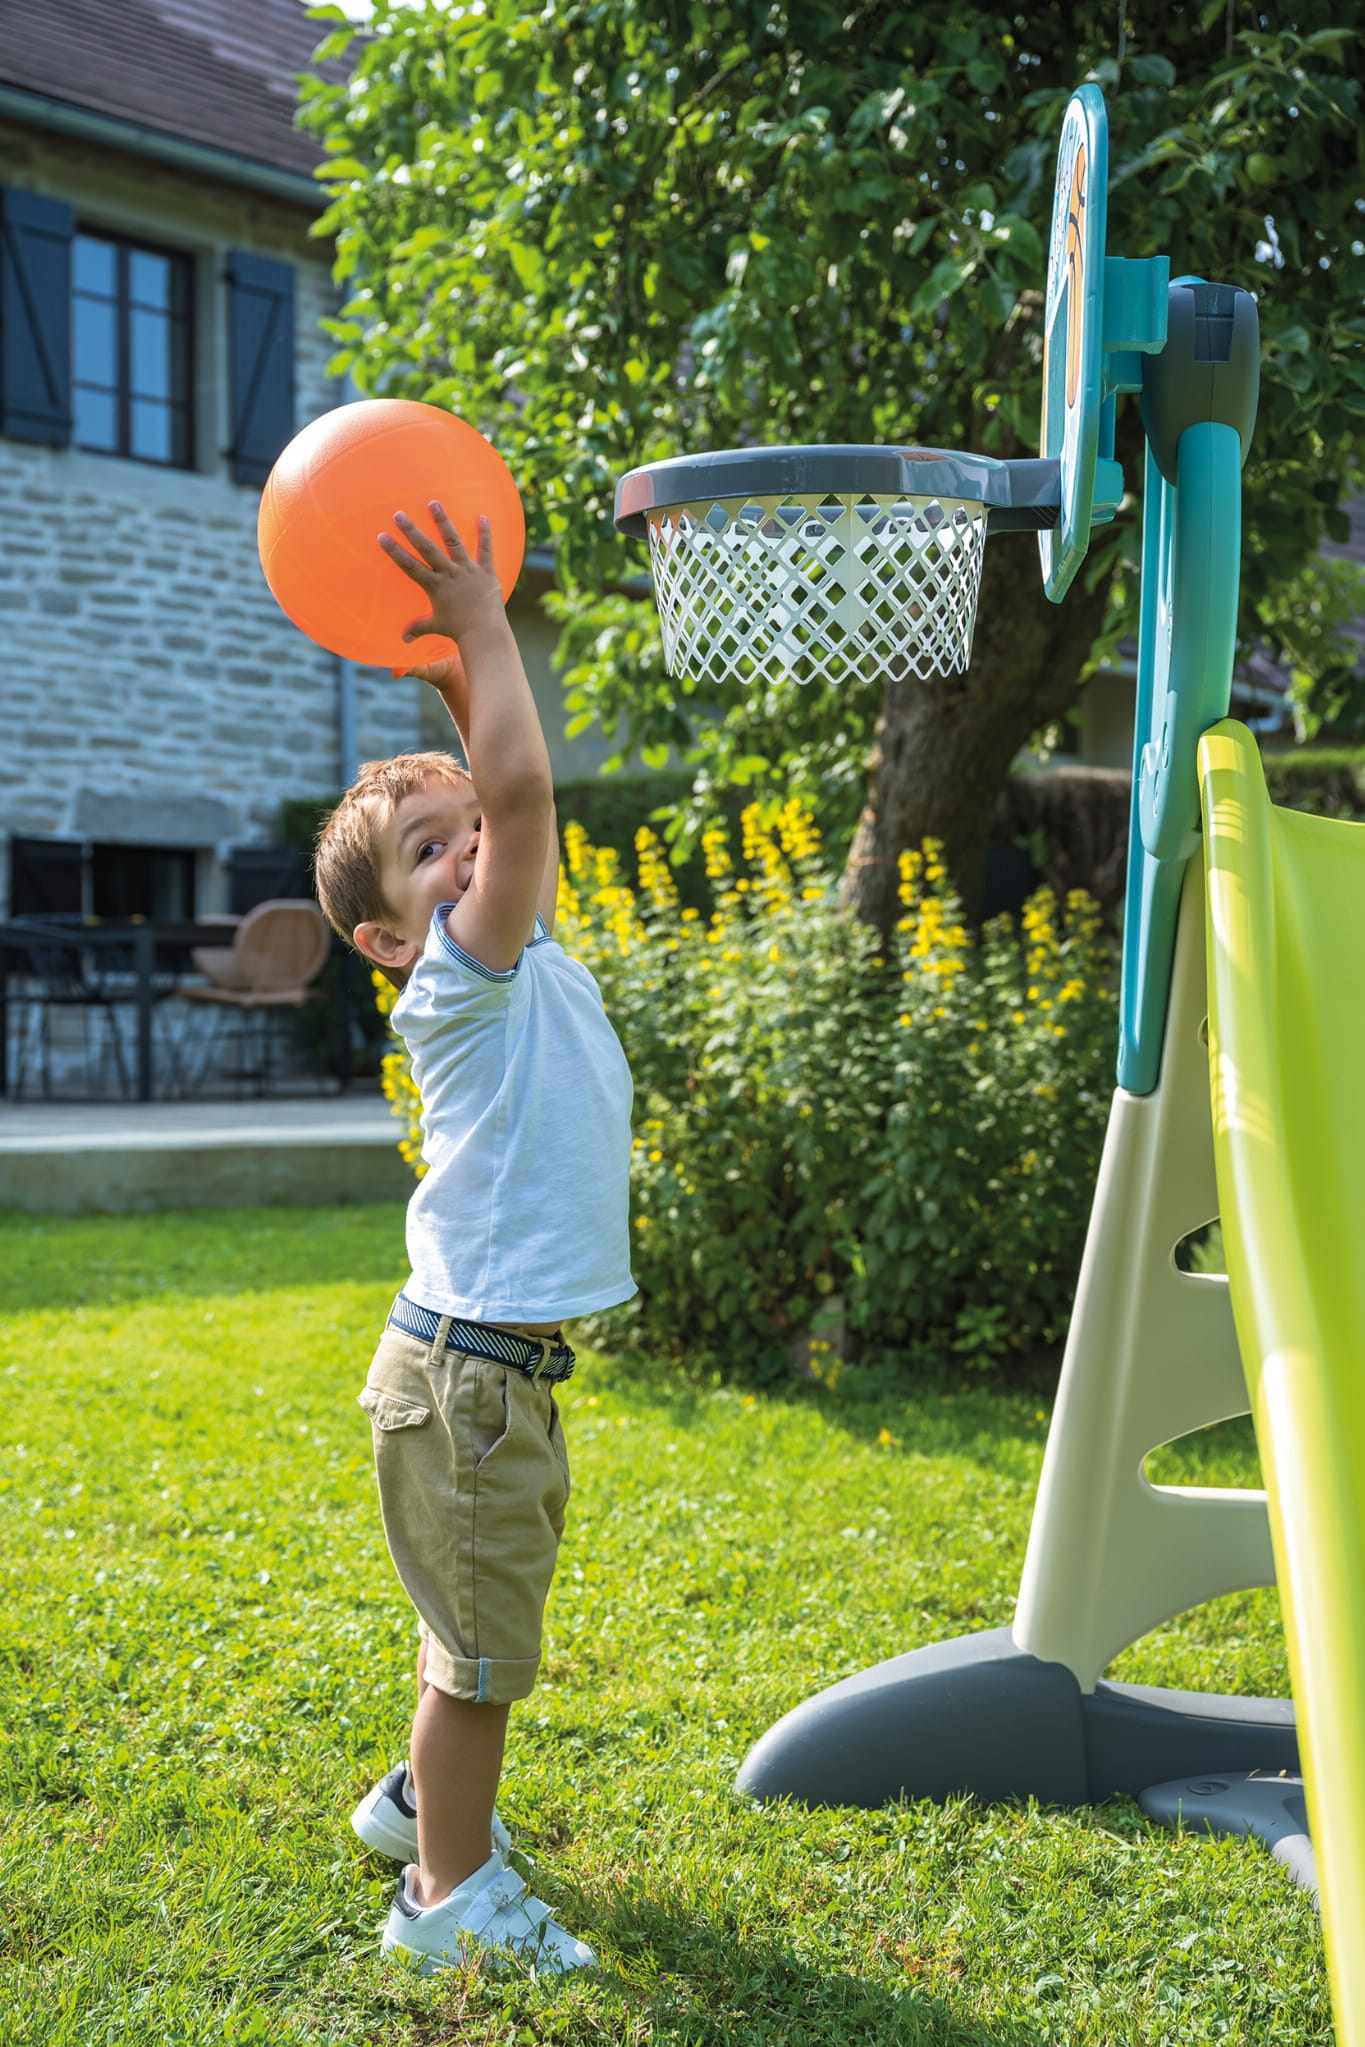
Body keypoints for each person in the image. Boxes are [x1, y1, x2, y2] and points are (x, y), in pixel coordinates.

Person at [312, 502, 635, 1974]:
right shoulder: (456, 977)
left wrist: (457, 685)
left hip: (492, 1377)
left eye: (468, 839)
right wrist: (485, 622)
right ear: (387, 939)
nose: (469, 853)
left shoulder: (514, 953)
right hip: (470, 1386)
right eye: (426, 851)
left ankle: (413, 1810)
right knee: (482, 1659)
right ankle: (445, 1901)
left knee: (473, 1624)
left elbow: (502, 799)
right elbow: (521, 788)